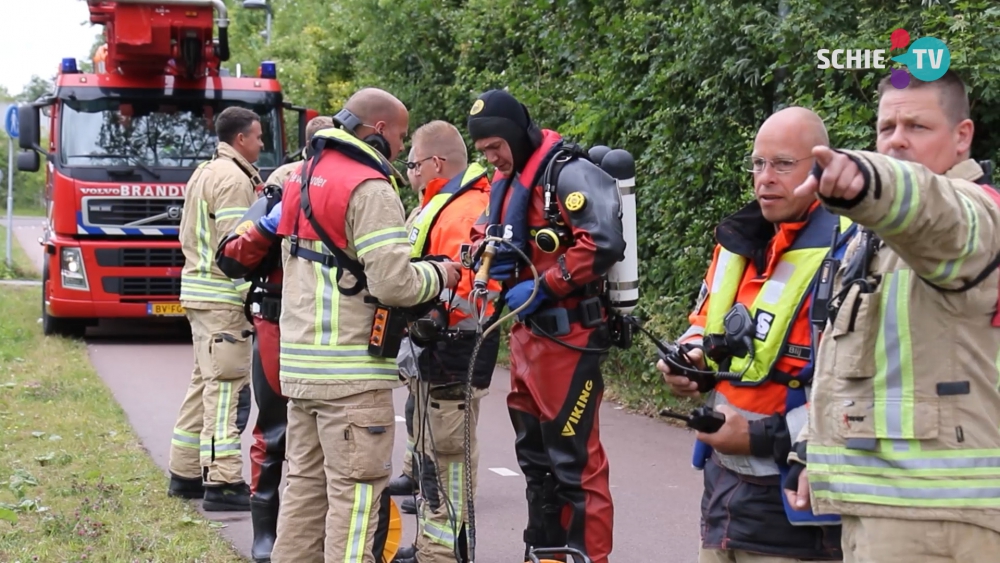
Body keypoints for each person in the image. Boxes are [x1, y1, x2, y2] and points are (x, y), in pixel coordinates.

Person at [785, 70, 1000, 563]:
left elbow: (932, 207)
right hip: (887, 512)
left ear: (962, 136)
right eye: (887, 129)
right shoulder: (872, 235)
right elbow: (853, 367)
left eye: (917, 127)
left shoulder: (975, 216)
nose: (897, 141)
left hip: (944, 522)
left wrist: (867, 178)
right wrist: (814, 454)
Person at [262, 88, 462, 563]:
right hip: (350, 374)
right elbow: (393, 284)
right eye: (398, 134)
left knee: (304, 492)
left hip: (301, 368)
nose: (400, 144)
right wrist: (441, 273)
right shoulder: (370, 187)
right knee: (355, 501)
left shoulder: (301, 176)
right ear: (378, 130)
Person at [658, 106, 844, 563]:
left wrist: (761, 439)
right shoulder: (739, 241)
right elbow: (705, 325)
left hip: (795, 503)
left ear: (820, 166)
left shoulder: (848, 251)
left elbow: (854, 391)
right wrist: (690, 362)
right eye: (758, 164)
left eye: (782, 164)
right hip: (723, 493)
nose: (765, 177)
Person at [467, 89, 626, 563]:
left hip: (568, 338)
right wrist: (478, 260)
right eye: (484, 151)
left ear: (516, 133)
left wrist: (544, 286)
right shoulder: (504, 182)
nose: (493, 158)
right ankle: (544, 550)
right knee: (535, 460)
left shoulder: (566, 175)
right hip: (526, 339)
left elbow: (601, 242)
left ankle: (587, 556)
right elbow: (483, 233)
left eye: (497, 146)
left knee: (576, 463)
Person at [213, 113, 336, 562]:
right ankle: (265, 534)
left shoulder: (357, 183)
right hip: (280, 319)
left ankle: (316, 536)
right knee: (275, 428)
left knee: (332, 434)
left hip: (334, 325)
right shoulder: (285, 183)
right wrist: (268, 225)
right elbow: (229, 256)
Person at [391, 121, 502, 563]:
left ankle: (443, 552)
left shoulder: (460, 212)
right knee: (434, 448)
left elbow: (467, 289)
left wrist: (424, 310)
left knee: (449, 454)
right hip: (441, 345)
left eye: (414, 163)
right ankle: (434, 546)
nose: (411, 171)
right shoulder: (444, 203)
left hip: (456, 345)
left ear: (436, 163)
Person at [167, 106, 264, 511]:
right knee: (226, 387)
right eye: (258, 136)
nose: (261, 143)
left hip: (200, 295)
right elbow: (236, 248)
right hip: (223, 299)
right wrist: (253, 296)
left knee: (203, 384)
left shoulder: (205, 172)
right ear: (240, 139)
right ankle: (223, 482)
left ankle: (185, 472)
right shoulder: (233, 181)